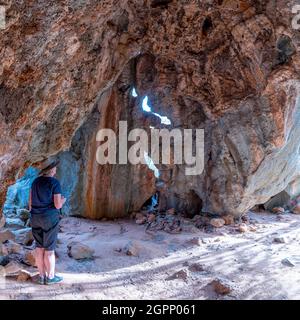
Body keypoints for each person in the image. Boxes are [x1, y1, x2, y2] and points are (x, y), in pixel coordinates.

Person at [28, 159, 66, 285]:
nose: (56, 169)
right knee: (49, 249)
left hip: (35, 217)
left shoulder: (35, 182)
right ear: (51, 170)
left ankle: (41, 276)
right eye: (55, 168)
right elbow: (57, 205)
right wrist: (62, 201)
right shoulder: (54, 183)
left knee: (39, 248)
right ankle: (50, 278)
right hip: (49, 218)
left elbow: (30, 205)